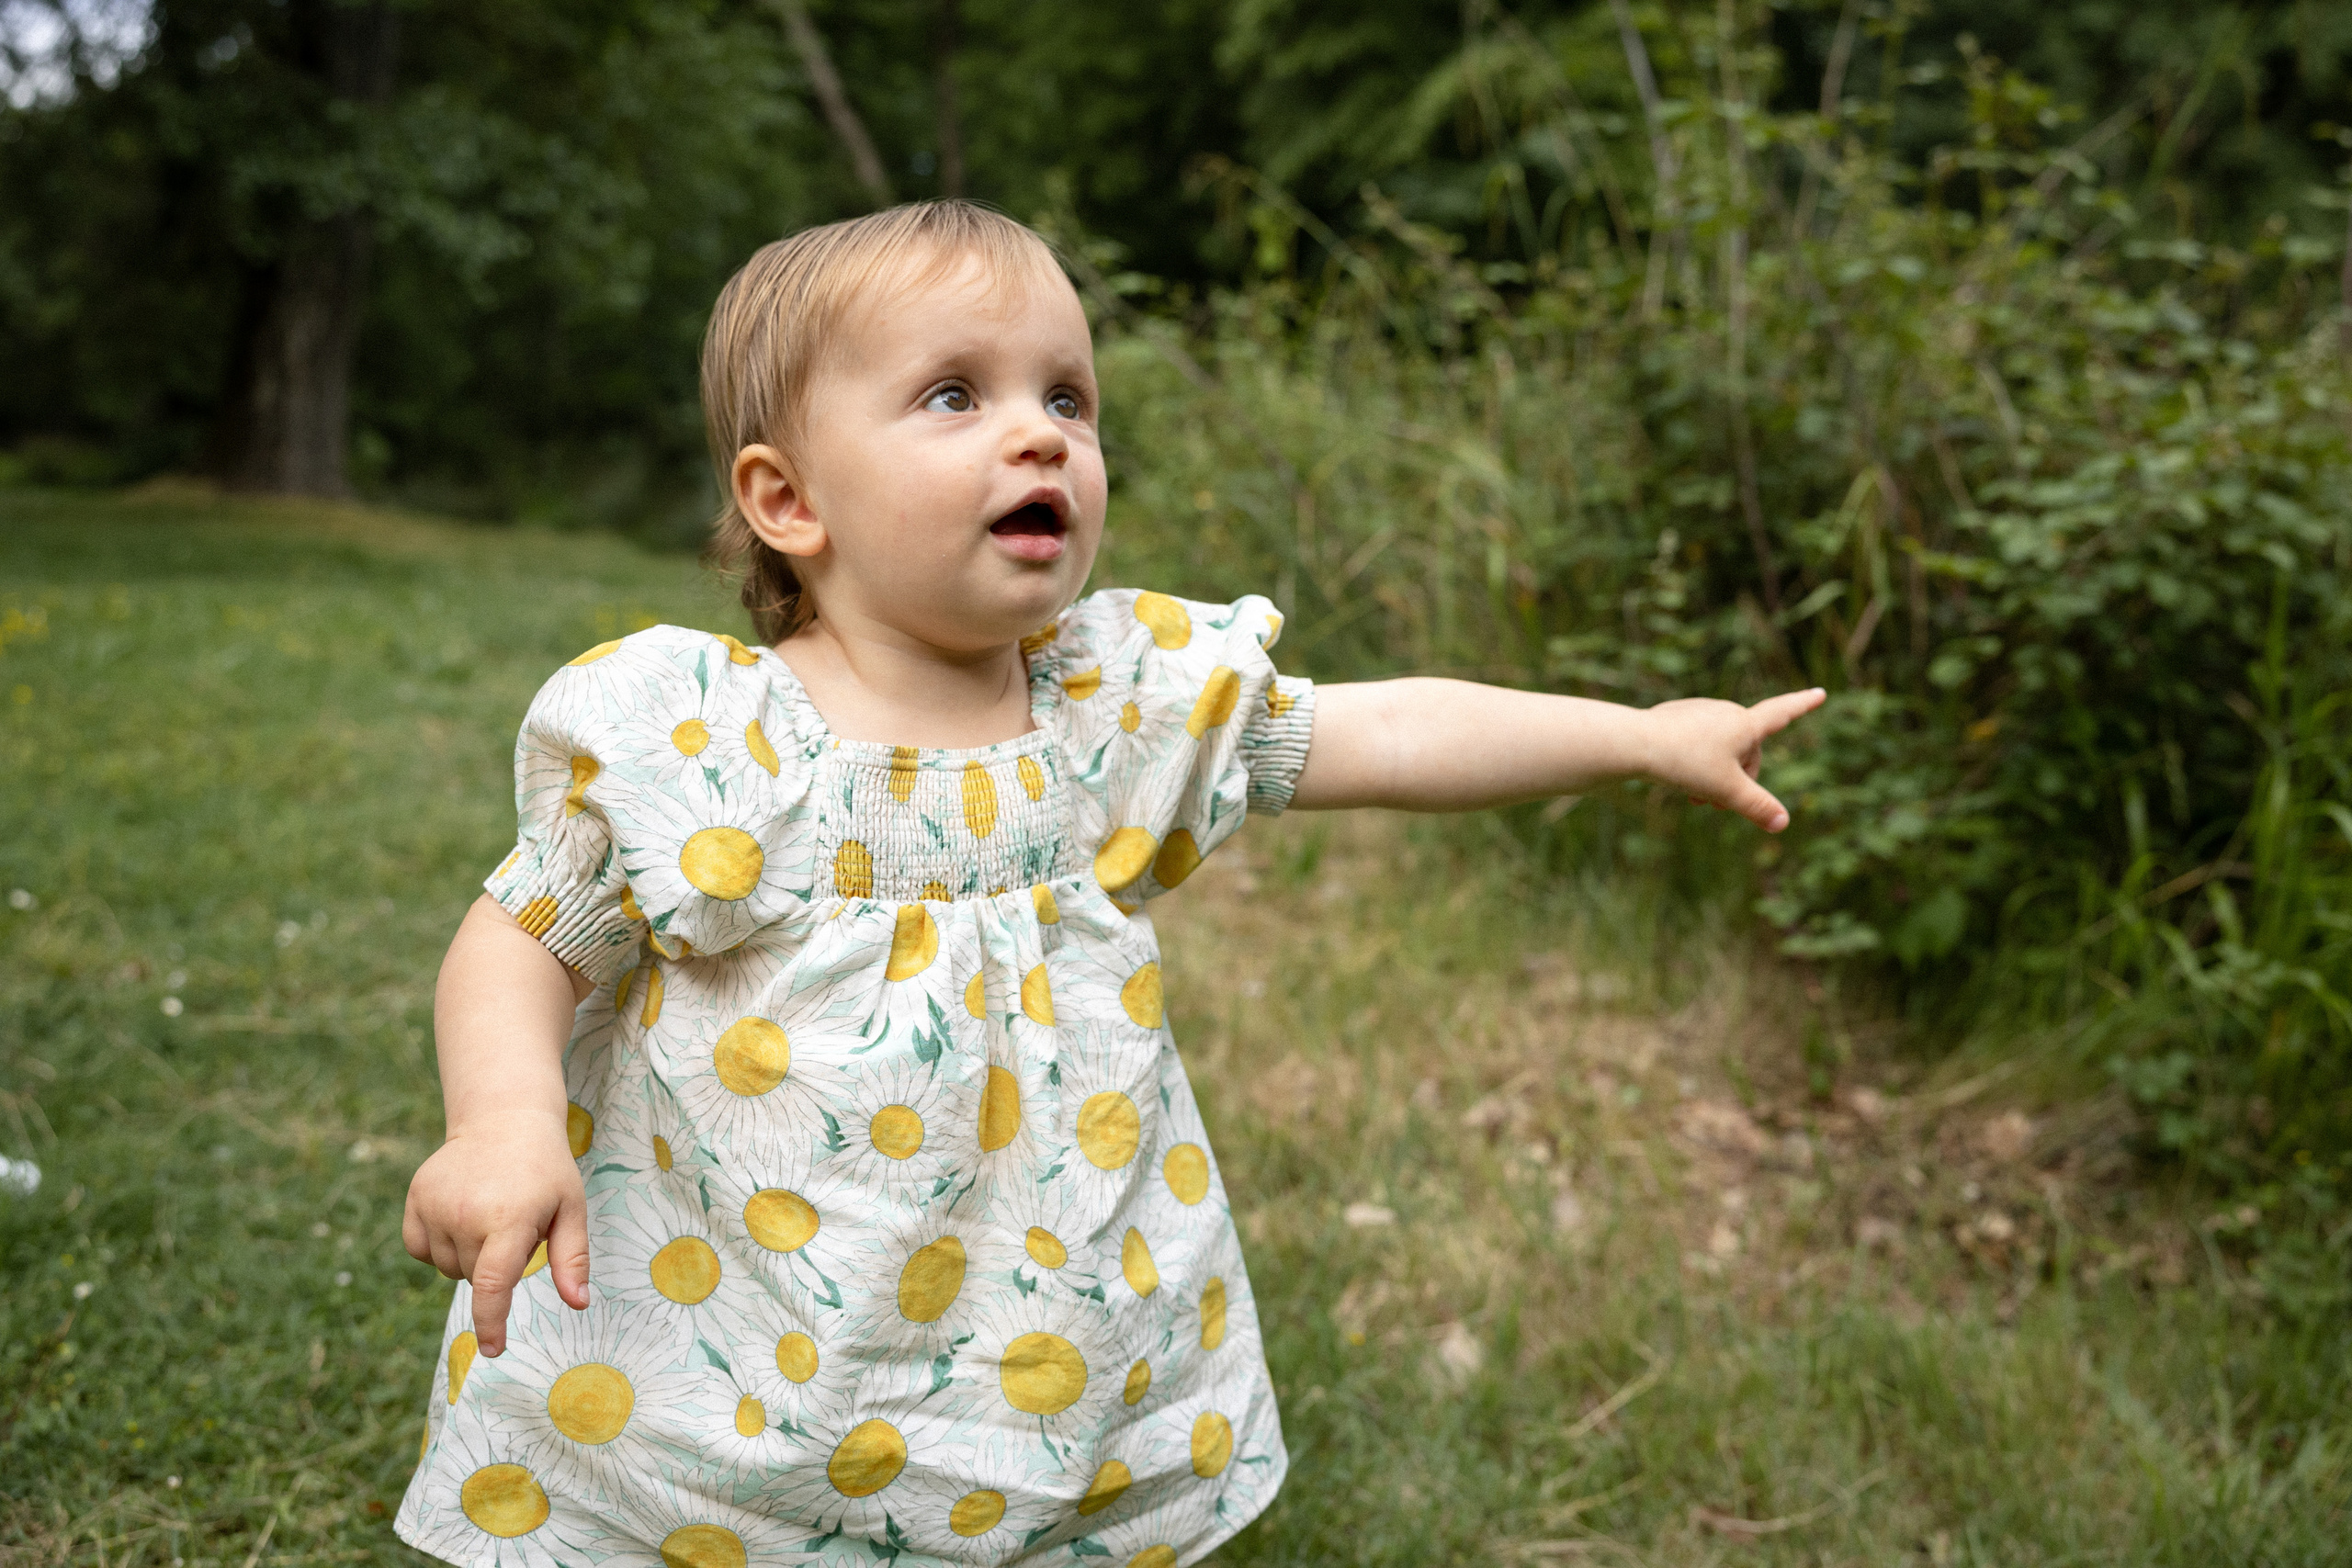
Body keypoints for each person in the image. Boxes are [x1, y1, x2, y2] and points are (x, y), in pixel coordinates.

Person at [397, 200, 1822, 1568]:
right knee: (731, 1503)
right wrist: (506, 1124)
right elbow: (526, 933)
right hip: (751, 1307)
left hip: (1038, 1286)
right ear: (788, 499)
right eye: (955, 396)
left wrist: (1642, 737)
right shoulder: (706, 740)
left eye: (1066, 399)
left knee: (1027, 1471)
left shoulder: (1115, 703)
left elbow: (1384, 728)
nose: (1039, 433)